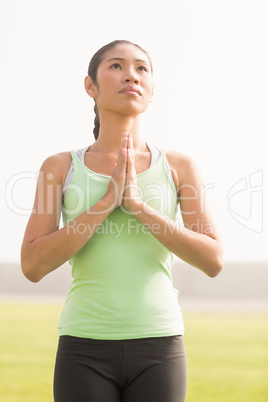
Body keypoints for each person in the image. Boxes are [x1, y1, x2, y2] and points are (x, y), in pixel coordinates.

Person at [21, 39, 224, 402]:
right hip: (83, 346)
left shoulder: (179, 166)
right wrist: (104, 205)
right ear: (90, 86)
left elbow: (212, 260)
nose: (130, 75)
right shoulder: (59, 167)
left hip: (159, 346)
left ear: (150, 91)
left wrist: (138, 206)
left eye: (141, 68)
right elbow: (33, 265)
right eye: (116, 66)